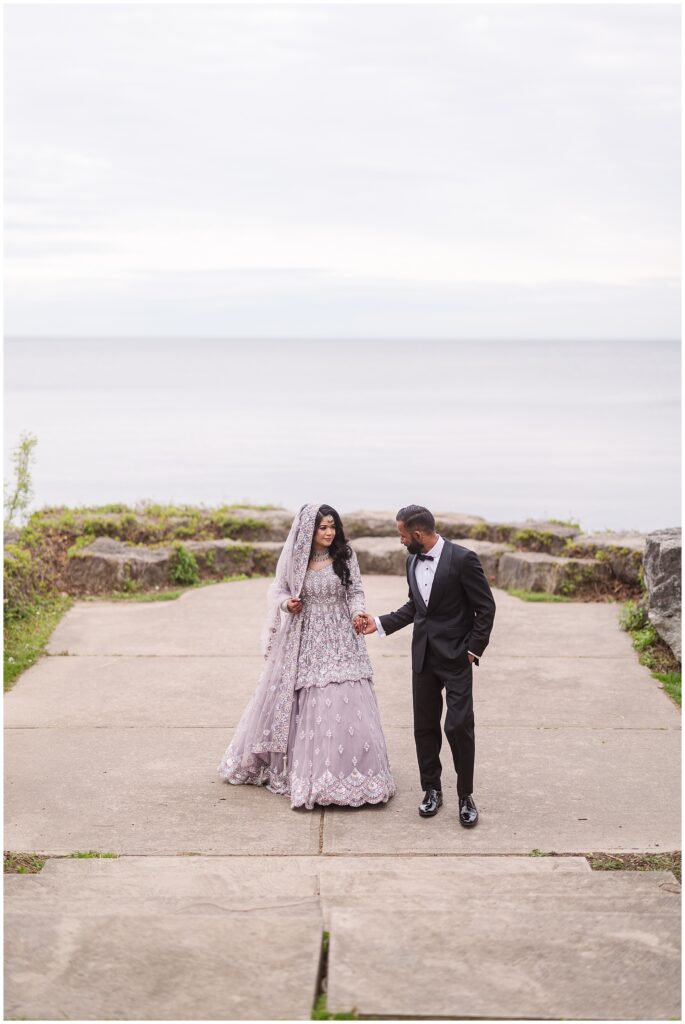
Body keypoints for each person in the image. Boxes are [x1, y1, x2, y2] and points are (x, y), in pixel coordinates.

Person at [218, 502, 395, 810]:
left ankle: (354, 775)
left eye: (332, 527)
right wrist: (287, 604)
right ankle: (314, 776)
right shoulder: (296, 559)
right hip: (308, 637)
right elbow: (278, 590)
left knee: (346, 699)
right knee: (314, 701)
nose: (329, 533)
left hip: (342, 637)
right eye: (322, 527)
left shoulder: (345, 556)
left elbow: (355, 591)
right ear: (309, 531)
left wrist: (357, 614)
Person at [361, 504, 495, 827]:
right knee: (425, 727)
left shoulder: (463, 559)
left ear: (418, 533)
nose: (400, 540)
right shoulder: (412, 561)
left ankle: (465, 795)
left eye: (402, 534)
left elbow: (486, 607)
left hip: (457, 658)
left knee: (458, 726)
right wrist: (379, 623)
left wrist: (472, 651)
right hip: (423, 657)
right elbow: (416, 607)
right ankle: (431, 789)